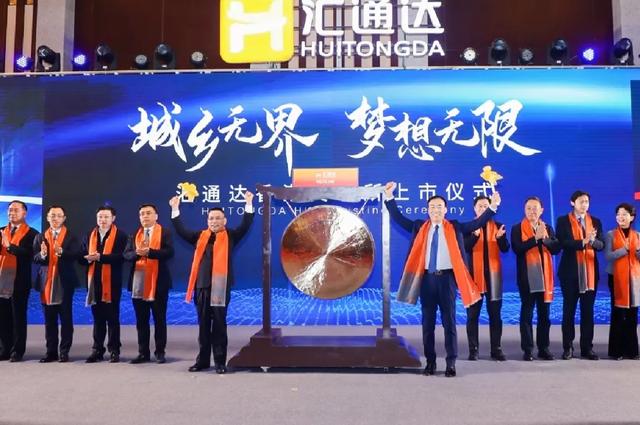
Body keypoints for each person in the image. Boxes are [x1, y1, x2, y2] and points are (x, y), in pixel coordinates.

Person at [384, 181, 501, 377]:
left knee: (449, 323)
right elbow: (398, 217)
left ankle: (451, 363)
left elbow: (477, 223)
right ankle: (430, 362)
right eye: (432, 207)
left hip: (447, 281)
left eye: (439, 206)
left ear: (445, 210)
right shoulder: (420, 227)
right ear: (427, 210)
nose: (436, 210)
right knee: (427, 324)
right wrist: (389, 196)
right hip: (427, 281)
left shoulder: (454, 227)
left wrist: (493, 206)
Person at [170, 192, 254, 373]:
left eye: (218, 218)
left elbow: (246, 225)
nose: (214, 221)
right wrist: (175, 209)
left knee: (219, 325)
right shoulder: (199, 236)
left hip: (221, 287)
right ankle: (202, 361)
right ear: (207, 221)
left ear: (224, 220)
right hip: (201, 286)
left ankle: (220, 362)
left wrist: (248, 202)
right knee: (203, 325)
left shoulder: (231, 235)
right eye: (211, 218)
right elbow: (181, 231)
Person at [555, 190, 604, 360]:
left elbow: (601, 245)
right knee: (568, 311)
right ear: (572, 203)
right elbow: (562, 243)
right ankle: (568, 347)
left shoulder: (595, 221)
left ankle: (587, 348)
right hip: (570, 273)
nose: (584, 205)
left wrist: (592, 241)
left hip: (590, 274)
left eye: (587, 202)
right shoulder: (563, 221)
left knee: (587, 312)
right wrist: (582, 242)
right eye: (581, 201)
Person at [511, 197, 561, 361]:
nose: (532, 211)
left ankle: (543, 348)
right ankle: (527, 350)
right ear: (524, 210)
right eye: (529, 208)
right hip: (526, 278)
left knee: (544, 316)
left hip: (545, 278)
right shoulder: (517, 228)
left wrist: (545, 239)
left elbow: (556, 249)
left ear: (541, 210)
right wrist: (535, 239)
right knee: (527, 314)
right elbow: (518, 249)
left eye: (535, 208)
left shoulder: (547, 227)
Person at [124, 204, 174, 364]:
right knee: (141, 320)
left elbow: (169, 252)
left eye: (148, 213)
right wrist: (137, 253)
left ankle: (160, 352)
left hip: (158, 283)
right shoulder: (134, 234)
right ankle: (143, 353)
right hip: (138, 283)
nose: (145, 216)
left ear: (156, 216)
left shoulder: (165, 232)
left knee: (159, 319)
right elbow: (126, 254)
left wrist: (150, 252)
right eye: (142, 214)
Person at [463, 195, 510, 361]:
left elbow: (505, 248)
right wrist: (474, 236)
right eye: (480, 206)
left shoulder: (498, 226)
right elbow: (464, 248)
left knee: (495, 315)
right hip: (473, 278)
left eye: (486, 206)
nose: (483, 209)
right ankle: (473, 350)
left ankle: (496, 349)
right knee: (472, 316)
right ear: (474, 209)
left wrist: (500, 238)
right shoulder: (468, 227)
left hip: (493, 278)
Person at [80, 205, 128, 363]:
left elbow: (122, 257)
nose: (103, 220)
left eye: (106, 217)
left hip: (112, 282)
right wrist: (87, 259)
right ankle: (97, 350)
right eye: (100, 217)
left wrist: (100, 257)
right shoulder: (89, 234)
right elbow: (81, 257)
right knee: (97, 318)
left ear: (113, 218)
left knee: (113, 317)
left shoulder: (121, 235)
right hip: (94, 282)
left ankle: (114, 350)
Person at [33, 205, 81, 363]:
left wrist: (62, 252)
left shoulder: (71, 237)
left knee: (66, 318)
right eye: (52, 215)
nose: (55, 218)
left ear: (64, 218)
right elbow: (35, 258)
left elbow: (77, 255)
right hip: (46, 282)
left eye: (59, 216)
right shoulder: (40, 237)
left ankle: (64, 351)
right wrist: (42, 255)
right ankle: (51, 352)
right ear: (47, 218)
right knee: (49, 320)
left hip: (64, 281)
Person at [0, 200, 38, 362]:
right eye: (10, 210)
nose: (12, 213)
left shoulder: (32, 233)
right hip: (2, 280)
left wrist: (10, 247)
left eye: (16, 210)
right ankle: (4, 349)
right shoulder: (2, 230)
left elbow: (30, 254)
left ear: (24, 213)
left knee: (18, 317)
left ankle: (17, 351)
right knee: (3, 317)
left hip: (19, 281)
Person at [604, 203, 640, 360]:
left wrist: (637, 253)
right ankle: (616, 351)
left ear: (632, 217)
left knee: (632, 314)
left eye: (624, 214)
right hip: (616, 277)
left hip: (634, 278)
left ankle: (631, 350)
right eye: (618, 214)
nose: (621, 217)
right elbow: (608, 256)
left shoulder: (637, 235)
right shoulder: (610, 235)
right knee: (618, 313)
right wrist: (624, 250)